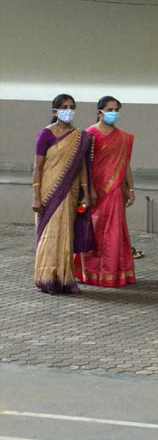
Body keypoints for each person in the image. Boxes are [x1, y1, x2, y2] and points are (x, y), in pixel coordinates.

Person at [32, 94, 95, 295]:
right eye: (64, 107)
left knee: (65, 233)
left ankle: (65, 278)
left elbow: (82, 167)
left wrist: (86, 192)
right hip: (49, 192)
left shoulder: (80, 137)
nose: (68, 110)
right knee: (49, 235)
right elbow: (38, 166)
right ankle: (46, 278)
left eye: (71, 106)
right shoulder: (46, 134)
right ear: (54, 111)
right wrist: (36, 195)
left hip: (70, 192)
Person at [74, 96, 135, 288]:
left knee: (114, 233)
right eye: (109, 109)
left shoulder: (123, 137)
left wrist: (130, 188)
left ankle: (114, 273)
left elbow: (125, 164)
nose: (113, 113)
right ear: (100, 111)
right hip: (94, 191)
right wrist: (87, 189)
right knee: (93, 231)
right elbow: (83, 166)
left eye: (116, 109)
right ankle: (90, 273)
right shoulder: (88, 135)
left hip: (115, 191)